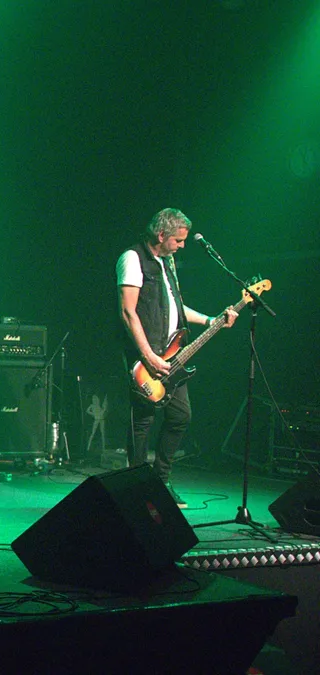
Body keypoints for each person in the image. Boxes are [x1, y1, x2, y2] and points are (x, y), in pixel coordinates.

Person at [117, 208, 236, 509]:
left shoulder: (167, 263)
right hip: (145, 357)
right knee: (143, 420)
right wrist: (148, 355)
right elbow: (128, 311)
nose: (182, 246)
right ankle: (135, 485)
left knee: (180, 415)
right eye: (178, 240)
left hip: (172, 356)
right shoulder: (132, 258)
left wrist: (210, 320)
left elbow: (175, 305)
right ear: (161, 235)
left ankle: (161, 480)